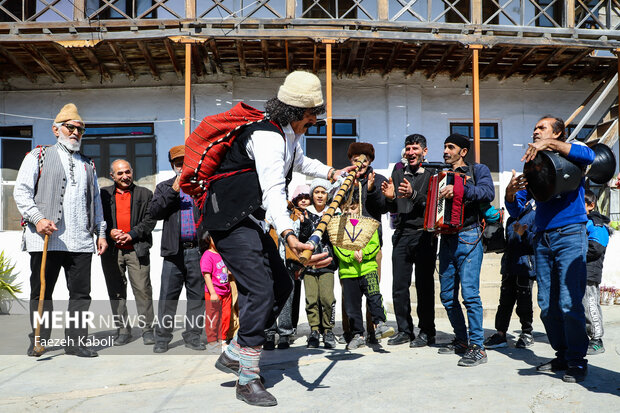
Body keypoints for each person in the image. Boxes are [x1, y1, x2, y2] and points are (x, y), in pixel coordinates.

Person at [206, 71, 354, 406]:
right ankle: (247, 378)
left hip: (251, 220)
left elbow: (300, 163)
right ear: (301, 113)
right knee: (259, 290)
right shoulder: (267, 136)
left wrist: (332, 173)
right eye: (313, 115)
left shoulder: (287, 134)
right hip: (230, 220)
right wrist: (288, 234)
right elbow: (273, 191)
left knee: (283, 287)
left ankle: (235, 352)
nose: (314, 121)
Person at [505, 115, 595, 383]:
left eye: (541, 128)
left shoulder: (571, 154)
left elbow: (590, 154)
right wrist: (510, 193)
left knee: (569, 301)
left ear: (557, 133)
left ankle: (577, 361)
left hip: (570, 233)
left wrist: (551, 145)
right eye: (534, 128)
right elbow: (519, 209)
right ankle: (563, 355)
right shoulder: (535, 165)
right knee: (546, 304)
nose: (535, 132)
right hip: (541, 238)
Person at [14, 103, 107, 358]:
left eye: (80, 129)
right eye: (70, 127)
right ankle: (39, 340)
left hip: (81, 241)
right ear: (56, 130)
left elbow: (96, 201)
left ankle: (76, 342)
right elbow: (21, 192)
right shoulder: (38, 155)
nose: (76, 132)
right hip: (47, 238)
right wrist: (38, 218)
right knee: (42, 292)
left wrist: (100, 233)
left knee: (80, 294)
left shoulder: (88, 164)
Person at [436, 133, 494, 367]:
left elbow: (487, 193)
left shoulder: (478, 170)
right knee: (447, 296)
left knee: (470, 295)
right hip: (446, 238)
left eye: (451, 147)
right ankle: (461, 340)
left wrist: (460, 190)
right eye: (445, 146)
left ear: (463, 151)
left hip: (469, 235)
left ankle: (478, 347)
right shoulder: (439, 175)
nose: (446, 151)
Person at [381, 134, 438, 348]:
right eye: (408, 148)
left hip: (424, 234)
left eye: (415, 148)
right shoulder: (397, 173)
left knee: (424, 285)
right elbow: (394, 209)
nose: (410, 152)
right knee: (399, 286)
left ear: (424, 152)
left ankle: (427, 332)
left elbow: (433, 204)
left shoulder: (433, 174)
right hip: (402, 234)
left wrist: (414, 194)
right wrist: (389, 198)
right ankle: (405, 330)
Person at [149, 145, 205, 354]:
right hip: (173, 252)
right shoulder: (164, 187)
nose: (182, 167)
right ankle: (162, 338)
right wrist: (174, 189)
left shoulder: (200, 187)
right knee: (167, 298)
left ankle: (193, 336)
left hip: (197, 251)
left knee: (197, 298)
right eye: (178, 163)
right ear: (173, 165)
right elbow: (155, 211)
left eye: (185, 162)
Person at [100, 159, 156, 346]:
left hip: (136, 249)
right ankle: (123, 331)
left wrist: (131, 235)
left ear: (132, 171)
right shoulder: (103, 195)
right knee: (116, 292)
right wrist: (109, 232)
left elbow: (150, 221)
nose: (125, 176)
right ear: (112, 176)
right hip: (112, 251)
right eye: (120, 173)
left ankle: (148, 330)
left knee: (143, 290)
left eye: (127, 172)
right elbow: (96, 219)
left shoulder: (145, 193)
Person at [333, 200, 393, 350]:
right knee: (352, 306)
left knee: (374, 296)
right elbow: (337, 247)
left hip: (368, 269)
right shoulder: (338, 227)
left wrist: (364, 253)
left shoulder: (368, 224)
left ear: (359, 207)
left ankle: (380, 324)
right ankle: (357, 334)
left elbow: (374, 244)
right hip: (348, 272)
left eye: (353, 208)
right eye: (345, 208)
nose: (349, 212)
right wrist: (351, 255)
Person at [484, 199, 536, 349]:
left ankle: (526, 333)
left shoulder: (535, 216)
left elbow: (537, 243)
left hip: (525, 267)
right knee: (504, 302)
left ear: (526, 203)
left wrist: (524, 233)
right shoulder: (511, 219)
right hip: (508, 266)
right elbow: (507, 243)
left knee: (524, 302)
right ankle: (500, 334)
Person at [264, 185, 310, 350]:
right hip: (268, 263)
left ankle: (284, 334)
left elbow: (299, 237)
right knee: (269, 298)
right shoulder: (265, 212)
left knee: (286, 299)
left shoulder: (294, 214)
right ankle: (268, 333)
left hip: (287, 263)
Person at [299, 178, 339, 349]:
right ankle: (314, 330)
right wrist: (305, 225)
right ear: (312, 195)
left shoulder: (333, 213)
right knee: (311, 299)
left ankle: (328, 331)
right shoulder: (305, 213)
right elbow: (301, 239)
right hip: (309, 264)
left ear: (327, 194)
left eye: (323, 192)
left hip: (327, 263)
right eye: (317, 192)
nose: (320, 196)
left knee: (327, 298)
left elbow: (337, 238)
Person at [583, 189, 610, 355]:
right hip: (579, 271)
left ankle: (597, 339)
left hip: (589, 272)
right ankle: (586, 337)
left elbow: (596, 248)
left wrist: (574, 253)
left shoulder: (596, 223)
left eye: (581, 204)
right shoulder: (583, 221)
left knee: (590, 305)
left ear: (591, 205)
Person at [201, 231, 233, 352]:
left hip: (226, 291)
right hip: (214, 292)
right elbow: (206, 275)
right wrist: (213, 293)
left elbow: (225, 270)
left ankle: (222, 339)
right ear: (208, 240)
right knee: (213, 317)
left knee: (226, 316)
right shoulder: (207, 255)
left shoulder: (222, 254)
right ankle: (212, 341)